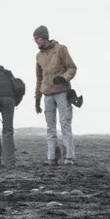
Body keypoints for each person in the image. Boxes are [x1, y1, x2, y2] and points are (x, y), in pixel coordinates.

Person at [33, 25, 77, 165]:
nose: (36, 41)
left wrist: (64, 78)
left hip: (62, 92)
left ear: (44, 37)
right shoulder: (38, 56)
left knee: (65, 124)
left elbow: (72, 68)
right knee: (50, 127)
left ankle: (68, 157)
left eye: (37, 38)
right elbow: (39, 78)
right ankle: (51, 157)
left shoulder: (61, 49)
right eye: (34, 39)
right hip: (47, 94)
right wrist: (37, 99)